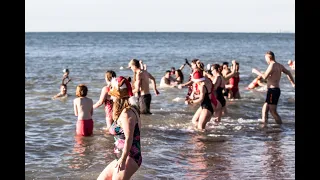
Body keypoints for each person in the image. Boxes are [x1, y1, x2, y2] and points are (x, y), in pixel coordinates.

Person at [97, 76, 142, 180]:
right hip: (121, 157)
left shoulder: (127, 113)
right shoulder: (123, 112)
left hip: (129, 157)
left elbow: (129, 138)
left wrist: (123, 159)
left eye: (113, 95)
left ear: (119, 97)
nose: (111, 98)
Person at [252, 51, 295, 126]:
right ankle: (264, 125)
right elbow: (288, 72)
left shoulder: (272, 65)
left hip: (273, 91)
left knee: (273, 111)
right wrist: (292, 83)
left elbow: (265, 77)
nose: (266, 61)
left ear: (269, 57)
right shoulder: (279, 65)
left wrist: (256, 72)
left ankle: (280, 126)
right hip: (274, 90)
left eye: (266, 59)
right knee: (264, 109)